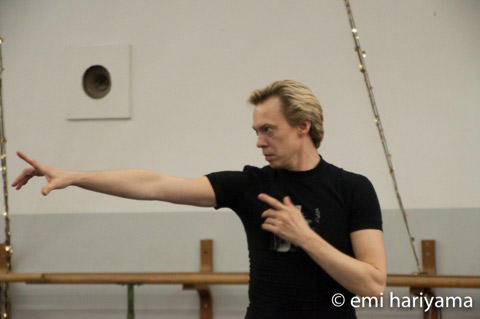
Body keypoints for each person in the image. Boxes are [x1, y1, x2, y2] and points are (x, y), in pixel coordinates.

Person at [13, 80, 386, 318]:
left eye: (268, 130)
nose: (258, 141)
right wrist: (75, 177)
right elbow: (153, 184)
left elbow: (371, 285)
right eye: (256, 131)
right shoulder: (249, 185)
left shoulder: (352, 188)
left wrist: (305, 238)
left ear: (303, 126)